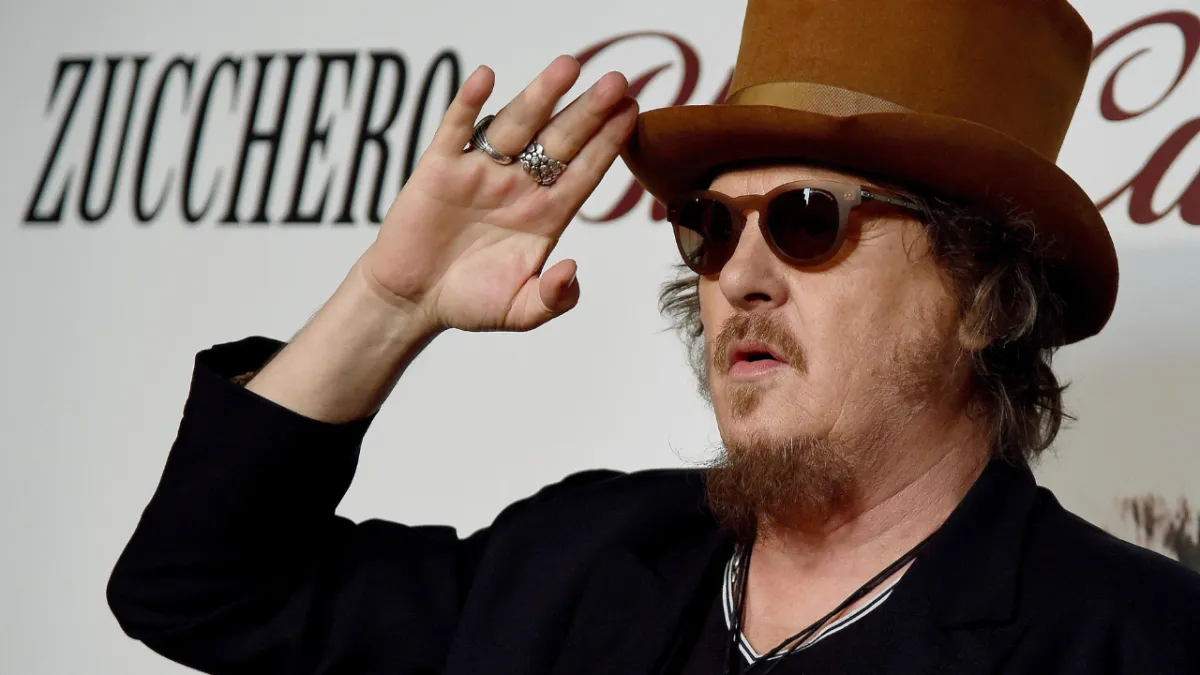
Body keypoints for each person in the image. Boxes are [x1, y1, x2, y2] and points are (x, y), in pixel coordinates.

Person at [107, 0, 1200, 673]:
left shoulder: (1136, 640)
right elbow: (200, 587)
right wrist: (389, 305)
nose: (741, 274)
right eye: (711, 225)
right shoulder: (579, 559)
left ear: (986, 298)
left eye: (808, 220)